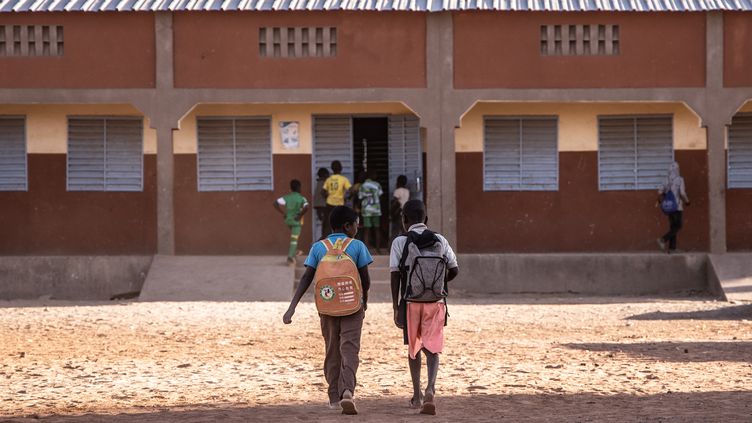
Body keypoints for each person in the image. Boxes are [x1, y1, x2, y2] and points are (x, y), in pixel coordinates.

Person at [283, 206, 372, 414]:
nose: (358, 227)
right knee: (349, 349)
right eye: (356, 223)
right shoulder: (357, 246)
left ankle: (333, 397)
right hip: (352, 305)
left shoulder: (318, 247)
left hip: (327, 305)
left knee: (332, 349)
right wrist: (364, 300)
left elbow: (307, 277)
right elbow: (365, 279)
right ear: (347, 226)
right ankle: (348, 390)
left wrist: (292, 307)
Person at [389, 200, 459, 415]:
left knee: (414, 349)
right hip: (435, 303)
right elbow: (454, 269)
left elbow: (395, 276)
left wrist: (396, 306)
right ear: (426, 220)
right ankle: (431, 388)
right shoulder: (440, 239)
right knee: (433, 348)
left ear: (404, 220)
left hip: (411, 303)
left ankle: (417, 395)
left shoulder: (400, 241)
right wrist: (438, 284)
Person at [657, 161, 691, 254]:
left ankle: (672, 248)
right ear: (677, 169)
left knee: (673, 227)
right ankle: (663, 239)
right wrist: (687, 201)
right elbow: (682, 193)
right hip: (677, 207)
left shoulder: (665, 180)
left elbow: (659, 192)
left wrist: (666, 194)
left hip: (669, 207)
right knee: (678, 226)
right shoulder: (680, 179)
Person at [273, 179, 310, 264]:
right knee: (294, 239)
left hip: (288, 221)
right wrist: (300, 215)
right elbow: (306, 207)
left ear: (291, 188)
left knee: (294, 237)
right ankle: (290, 256)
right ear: (299, 188)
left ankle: (295, 252)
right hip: (297, 222)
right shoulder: (301, 198)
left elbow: (275, 203)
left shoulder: (287, 197)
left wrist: (283, 213)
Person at [321, 160, 352, 238]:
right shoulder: (343, 179)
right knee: (341, 224)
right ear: (341, 168)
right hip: (339, 205)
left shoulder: (329, 179)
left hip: (329, 204)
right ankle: (340, 242)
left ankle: (327, 242)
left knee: (328, 224)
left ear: (332, 169)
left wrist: (327, 197)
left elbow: (322, 192)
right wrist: (348, 198)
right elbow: (351, 190)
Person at [359, 171, 384, 254]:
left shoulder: (363, 185)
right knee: (377, 229)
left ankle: (366, 250)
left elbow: (360, 197)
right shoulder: (377, 185)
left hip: (366, 210)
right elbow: (380, 194)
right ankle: (378, 249)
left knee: (367, 230)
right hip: (376, 210)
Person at [390, 175, 410, 240]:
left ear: (398, 182)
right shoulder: (407, 191)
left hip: (398, 214)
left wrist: (391, 213)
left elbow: (394, 203)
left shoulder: (397, 191)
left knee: (395, 232)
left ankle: (391, 248)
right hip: (405, 213)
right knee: (404, 231)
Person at [313, 168, 330, 240]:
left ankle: (323, 239)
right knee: (326, 224)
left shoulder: (318, 183)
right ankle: (323, 239)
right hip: (323, 206)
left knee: (323, 223)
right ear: (325, 175)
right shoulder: (324, 183)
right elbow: (325, 194)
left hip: (318, 206)